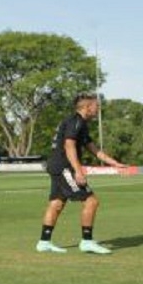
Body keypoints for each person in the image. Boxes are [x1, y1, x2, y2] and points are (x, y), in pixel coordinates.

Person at [36, 93, 127, 255]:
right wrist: (78, 171)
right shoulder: (75, 121)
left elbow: (93, 149)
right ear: (87, 107)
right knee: (91, 201)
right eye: (96, 106)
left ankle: (44, 242)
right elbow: (69, 145)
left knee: (57, 203)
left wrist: (113, 163)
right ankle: (87, 242)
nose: (98, 109)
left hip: (56, 165)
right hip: (64, 167)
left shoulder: (81, 124)